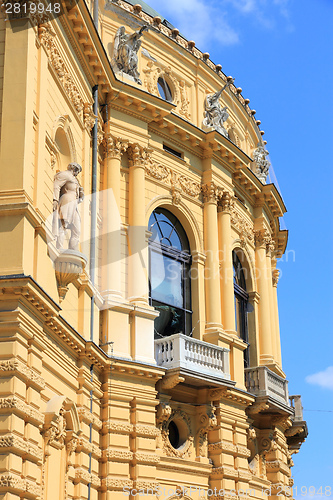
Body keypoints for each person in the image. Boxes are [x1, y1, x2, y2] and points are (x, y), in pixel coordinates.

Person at [52, 163, 84, 251]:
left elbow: (79, 198)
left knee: (76, 230)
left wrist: (81, 195)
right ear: (73, 168)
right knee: (63, 225)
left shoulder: (75, 179)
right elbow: (57, 185)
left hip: (74, 204)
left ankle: (73, 250)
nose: (77, 173)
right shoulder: (65, 174)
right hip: (67, 200)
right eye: (77, 170)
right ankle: (59, 247)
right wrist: (55, 199)